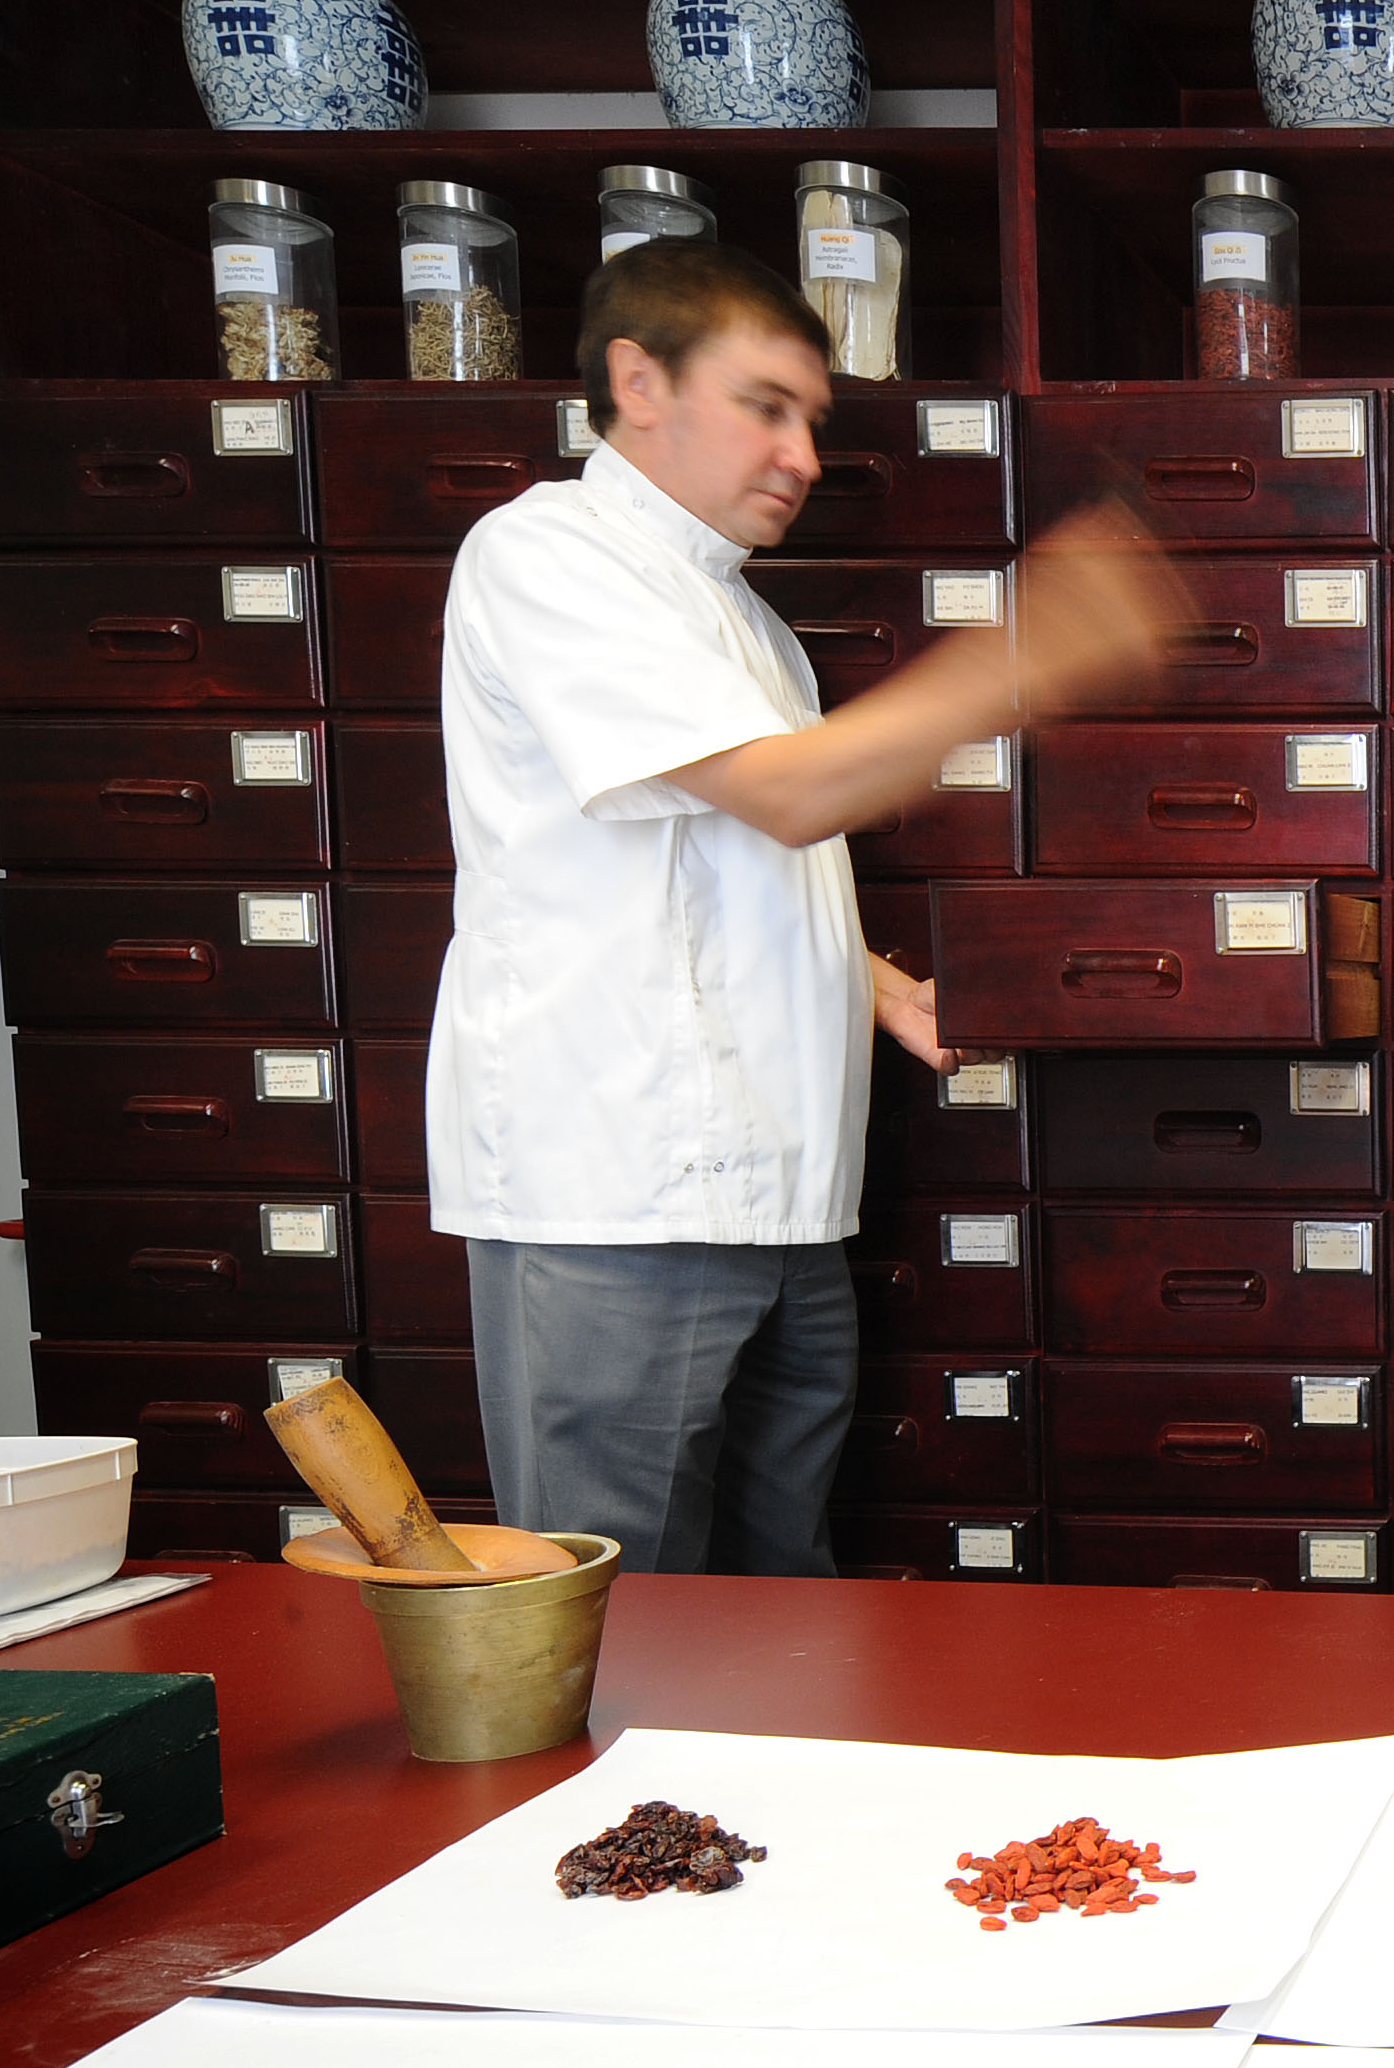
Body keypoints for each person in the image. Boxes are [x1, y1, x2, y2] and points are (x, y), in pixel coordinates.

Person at [431, 240, 1180, 1574]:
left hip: (784, 1202)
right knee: (631, 1614)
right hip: (623, 1201)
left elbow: (741, 857)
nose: (801, 454)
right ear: (638, 381)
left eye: (812, 421)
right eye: (765, 406)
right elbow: (784, 795)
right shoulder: (546, 553)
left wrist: (883, 987)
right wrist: (1028, 652)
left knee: (780, 1604)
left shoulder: (745, 622)